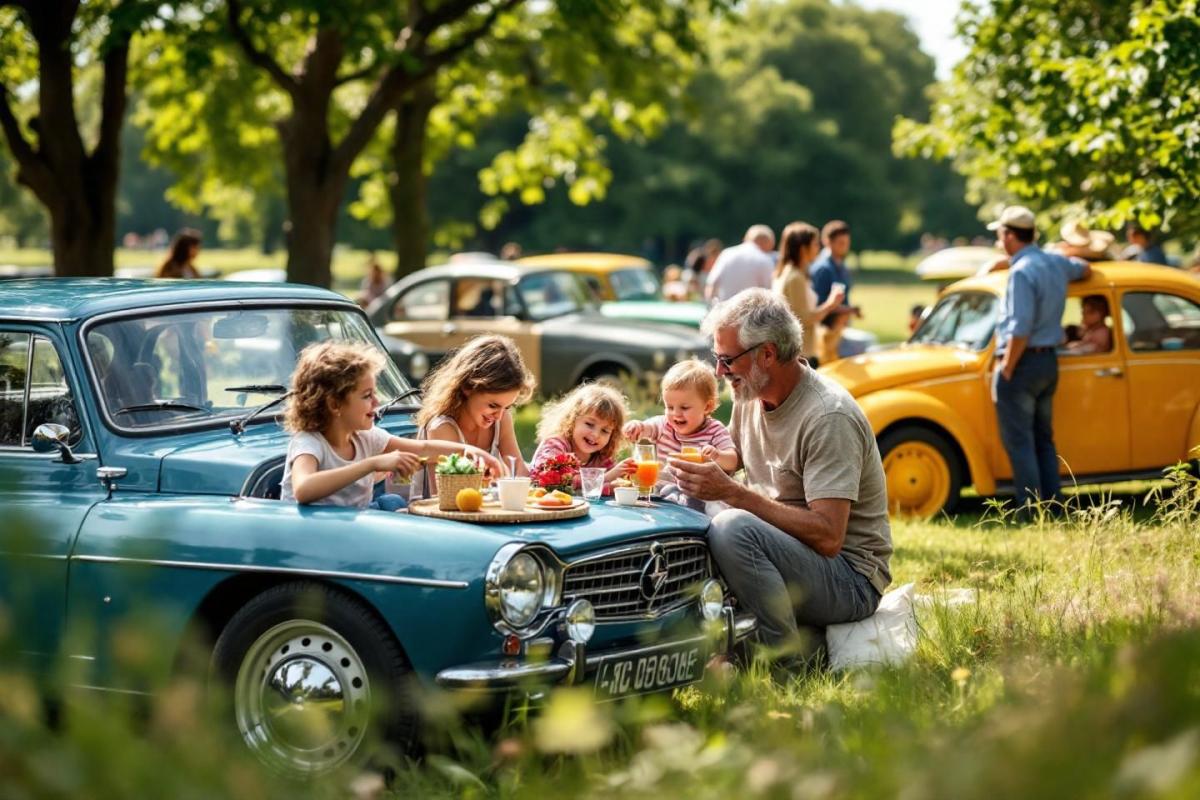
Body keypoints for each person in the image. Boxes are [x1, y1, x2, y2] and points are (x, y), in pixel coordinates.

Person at [669, 289, 891, 660]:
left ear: (767, 354)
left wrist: (735, 495)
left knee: (732, 526)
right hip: (785, 552)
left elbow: (828, 536)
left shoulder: (827, 416)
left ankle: (784, 660)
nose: (719, 372)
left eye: (726, 360)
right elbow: (734, 456)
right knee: (686, 511)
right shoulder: (750, 395)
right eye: (716, 359)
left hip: (849, 579)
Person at [280, 342, 503, 509]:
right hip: (309, 541)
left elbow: (424, 449)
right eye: (367, 395)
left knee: (394, 503)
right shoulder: (310, 442)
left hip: (350, 531)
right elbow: (304, 489)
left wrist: (469, 451)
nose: (376, 402)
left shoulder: (366, 437)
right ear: (334, 403)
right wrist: (371, 464)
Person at [988, 205, 1091, 515]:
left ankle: (1031, 511)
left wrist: (1006, 367)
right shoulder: (1052, 262)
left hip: (1020, 362)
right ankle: (1054, 506)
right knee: (1044, 440)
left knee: (1020, 442)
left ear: (1008, 236)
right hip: (1048, 361)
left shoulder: (1021, 272)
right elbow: (1084, 268)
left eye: (1000, 233)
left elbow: (1019, 328)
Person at [414, 335, 535, 496]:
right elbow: (451, 495)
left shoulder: (502, 418)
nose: (498, 416)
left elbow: (517, 466)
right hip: (440, 514)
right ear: (467, 387)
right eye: (493, 405)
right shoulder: (442, 426)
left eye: (507, 406)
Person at [623, 359, 737, 503]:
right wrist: (636, 427)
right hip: (662, 496)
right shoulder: (663, 425)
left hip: (698, 497)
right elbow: (645, 428)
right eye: (670, 407)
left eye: (684, 408)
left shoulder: (715, 431)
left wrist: (717, 455)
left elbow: (732, 461)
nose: (676, 414)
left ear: (707, 407)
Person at [531, 383, 633, 490]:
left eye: (605, 431)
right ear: (572, 419)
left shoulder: (601, 458)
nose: (596, 434)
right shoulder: (555, 445)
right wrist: (604, 479)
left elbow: (614, 481)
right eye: (589, 424)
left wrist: (625, 474)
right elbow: (548, 480)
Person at [772, 221, 844, 369]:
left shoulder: (790, 273)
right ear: (803, 248)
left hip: (796, 351)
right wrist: (831, 304)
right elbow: (803, 319)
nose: (818, 248)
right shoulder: (795, 277)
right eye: (815, 244)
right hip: (801, 353)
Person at [705, 225, 775, 304]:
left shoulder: (727, 253)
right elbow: (770, 292)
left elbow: (712, 284)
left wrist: (711, 307)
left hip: (724, 311)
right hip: (752, 314)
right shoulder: (765, 260)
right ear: (766, 243)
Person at [810, 220, 857, 316]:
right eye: (841, 243)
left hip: (840, 326)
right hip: (825, 328)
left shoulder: (842, 266)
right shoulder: (823, 268)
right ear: (828, 242)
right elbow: (817, 304)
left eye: (847, 243)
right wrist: (848, 310)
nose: (845, 247)